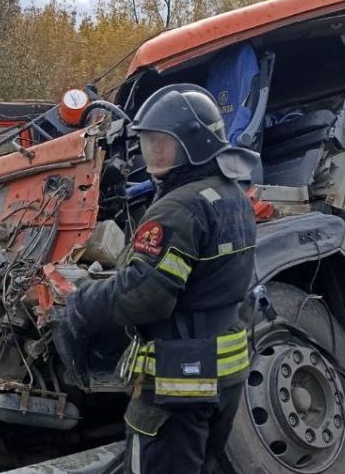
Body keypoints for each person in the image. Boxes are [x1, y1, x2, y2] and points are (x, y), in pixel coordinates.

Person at [56, 84, 259, 473]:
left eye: (164, 144)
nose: (153, 154)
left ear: (195, 144)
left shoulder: (177, 209)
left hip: (178, 384)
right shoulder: (234, 196)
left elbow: (146, 295)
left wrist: (81, 302)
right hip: (226, 375)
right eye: (149, 143)